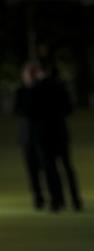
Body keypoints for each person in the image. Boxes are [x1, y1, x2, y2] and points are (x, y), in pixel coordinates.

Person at [31, 64, 82, 213]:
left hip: (44, 134)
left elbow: (31, 112)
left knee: (50, 169)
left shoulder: (36, 88)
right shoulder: (60, 86)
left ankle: (57, 201)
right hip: (60, 132)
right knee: (67, 167)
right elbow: (69, 109)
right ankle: (76, 200)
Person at [14, 62, 44, 210]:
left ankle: (53, 198)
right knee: (32, 171)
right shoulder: (21, 91)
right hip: (27, 138)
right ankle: (38, 198)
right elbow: (19, 110)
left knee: (46, 168)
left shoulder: (41, 91)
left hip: (41, 136)